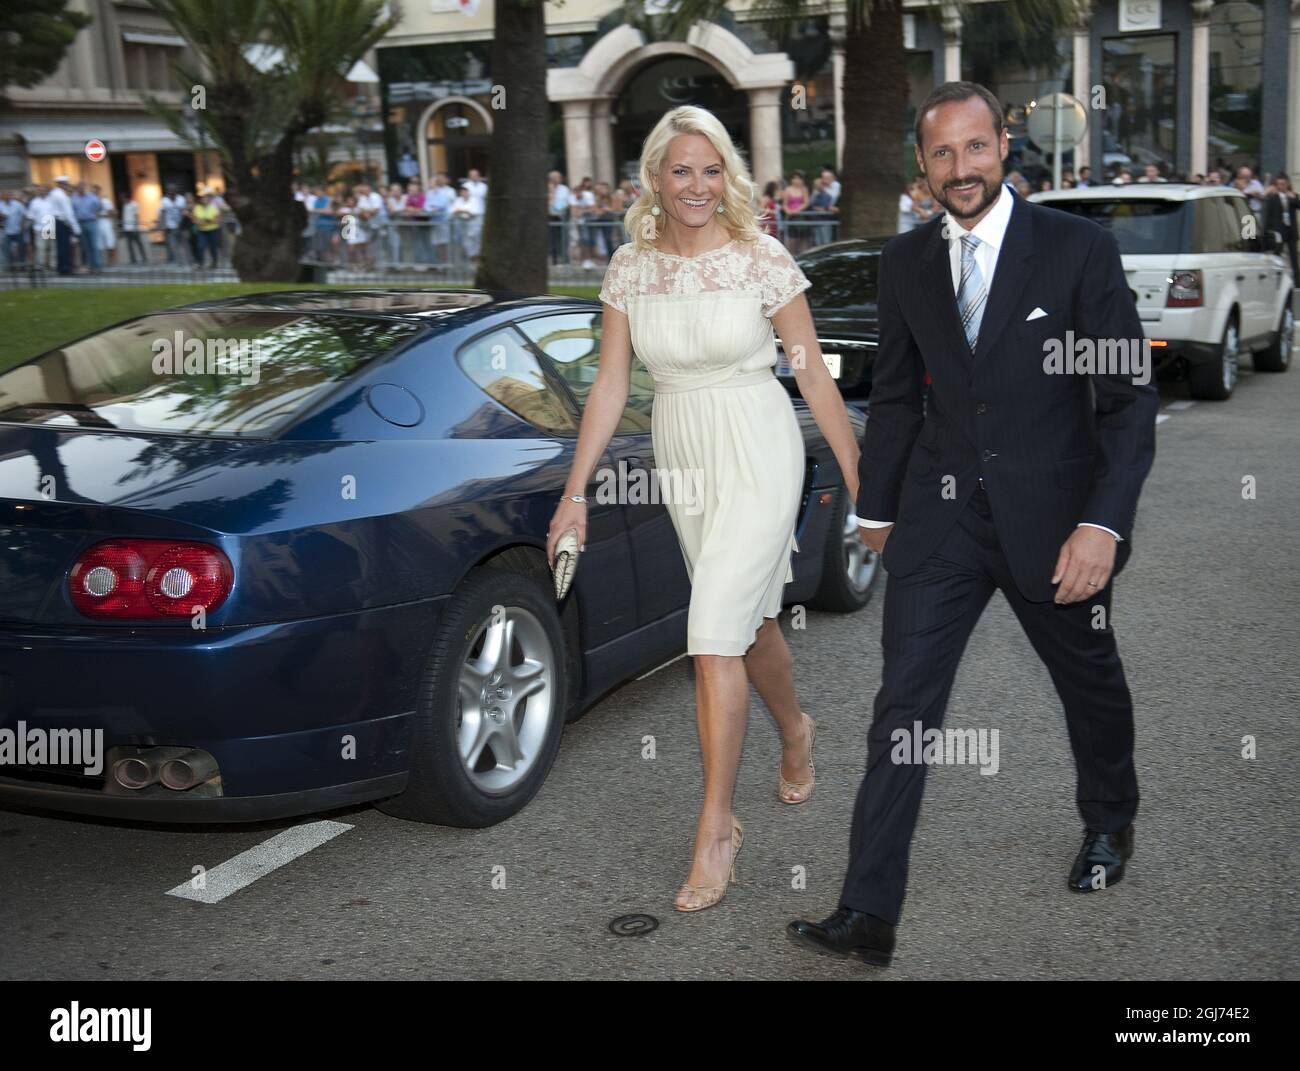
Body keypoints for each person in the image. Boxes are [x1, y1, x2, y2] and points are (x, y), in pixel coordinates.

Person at [787, 81, 1158, 968]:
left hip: (1054, 526)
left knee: (1090, 687)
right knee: (901, 712)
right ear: (923, 166)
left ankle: (1110, 823)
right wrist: (876, 510)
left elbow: (1126, 402)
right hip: (940, 527)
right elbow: (901, 400)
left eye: (976, 148)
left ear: (1003, 148)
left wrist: (1101, 528)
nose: (962, 168)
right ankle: (868, 911)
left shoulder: (1077, 251)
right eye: (942, 154)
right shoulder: (907, 263)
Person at [550, 104, 862, 913]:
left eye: (711, 169)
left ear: (729, 177)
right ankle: (795, 728)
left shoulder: (762, 259)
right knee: (749, 624)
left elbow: (812, 372)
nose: (696, 185)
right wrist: (574, 493)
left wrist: (863, 479)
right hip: (682, 452)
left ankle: (716, 826)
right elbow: (612, 385)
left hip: (759, 442)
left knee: (711, 635)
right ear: (655, 178)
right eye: (680, 169)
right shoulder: (629, 267)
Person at [1262, 173, 1298, 285]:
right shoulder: (1273, 197)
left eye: (1282, 184)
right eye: (1278, 184)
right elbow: (1268, 214)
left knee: (1294, 257)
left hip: (1291, 230)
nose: (1280, 187)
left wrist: (1292, 197)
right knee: (1277, 256)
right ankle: (1276, 280)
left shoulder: (1292, 196)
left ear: (1287, 184)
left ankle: (1297, 282)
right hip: (1279, 231)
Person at [47, 177, 80, 275]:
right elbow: (68, 213)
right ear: (62, 184)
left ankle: (61, 267)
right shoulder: (62, 196)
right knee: (65, 247)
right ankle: (66, 268)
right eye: (66, 184)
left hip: (55, 221)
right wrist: (76, 228)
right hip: (62, 222)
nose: (67, 186)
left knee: (60, 247)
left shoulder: (52, 194)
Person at [71, 182, 101, 271]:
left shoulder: (91, 197)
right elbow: (72, 210)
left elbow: (98, 206)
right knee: (84, 245)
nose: (81, 189)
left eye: (82, 187)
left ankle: (97, 265)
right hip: (80, 222)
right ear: (77, 188)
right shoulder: (73, 198)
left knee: (93, 244)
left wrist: (94, 214)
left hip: (91, 222)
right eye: (79, 187)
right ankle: (88, 265)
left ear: (85, 187)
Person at [191, 190, 221, 268]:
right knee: (200, 246)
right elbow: (195, 220)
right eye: (202, 199)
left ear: (209, 199)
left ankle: (214, 262)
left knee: (213, 247)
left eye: (205, 198)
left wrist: (204, 222)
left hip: (213, 230)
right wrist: (208, 221)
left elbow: (217, 220)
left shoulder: (213, 207)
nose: (204, 200)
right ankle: (200, 263)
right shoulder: (197, 207)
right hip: (202, 231)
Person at [548, 170, 571, 265]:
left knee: (564, 238)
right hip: (550, 216)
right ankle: (555, 261)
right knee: (552, 239)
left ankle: (565, 260)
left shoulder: (564, 189)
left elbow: (566, 201)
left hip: (562, 215)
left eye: (559, 177)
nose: (558, 179)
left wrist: (559, 210)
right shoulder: (547, 189)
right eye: (556, 177)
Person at [121, 193, 146, 264]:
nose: (122, 200)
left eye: (123, 198)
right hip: (127, 228)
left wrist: (136, 227)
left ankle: (144, 258)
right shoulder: (125, 205)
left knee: (139, 243)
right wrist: (124, 227)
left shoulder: (134, 204)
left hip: (134, 228)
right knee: (129, 245)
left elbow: (136, 216)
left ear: (127, 198)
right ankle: (133, 259)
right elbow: (125, 216)